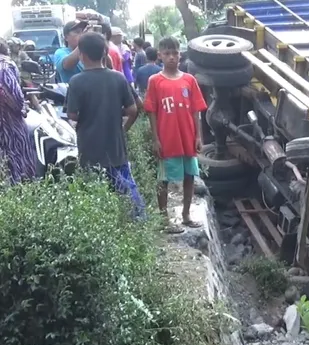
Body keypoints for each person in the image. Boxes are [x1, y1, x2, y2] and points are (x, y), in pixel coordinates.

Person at [65, 32, 145, 219]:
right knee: (125, 186)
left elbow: (72, 114)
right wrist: (122, 129)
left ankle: (105, 223)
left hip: (89, 148)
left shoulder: (76, 81)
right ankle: (138, 222)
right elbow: (133, 110)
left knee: (95, 191)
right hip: (115, 146)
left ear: (81, 55)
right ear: (105, 53)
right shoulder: (118, 78)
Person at [144, 36, 207, 233]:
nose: (171, 57)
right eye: (167, 53)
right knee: (164, 178)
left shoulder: (190, 80)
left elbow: (196, 111)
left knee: (189, 176)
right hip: (167, 137)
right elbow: (152, 111)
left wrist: (198, 137)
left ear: (180, 55)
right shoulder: (155, 81)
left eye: (175, 53)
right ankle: (164, 219)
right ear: (160, 56)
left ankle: (186, 215)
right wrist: (155, 139)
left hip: (187, 136)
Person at [0, 38, 37, 184]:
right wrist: (23, 107)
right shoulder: (5, 65)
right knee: (15, 162)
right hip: (8, 125)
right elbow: (14, 96)